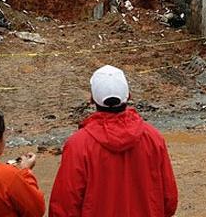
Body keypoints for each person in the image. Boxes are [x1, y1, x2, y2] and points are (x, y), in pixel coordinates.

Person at [49, 65, 178, 217]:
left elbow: (64, 208)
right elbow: (169, 201)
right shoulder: (153, 138)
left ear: (91, 99)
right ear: (129, 95)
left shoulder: (78, 145)